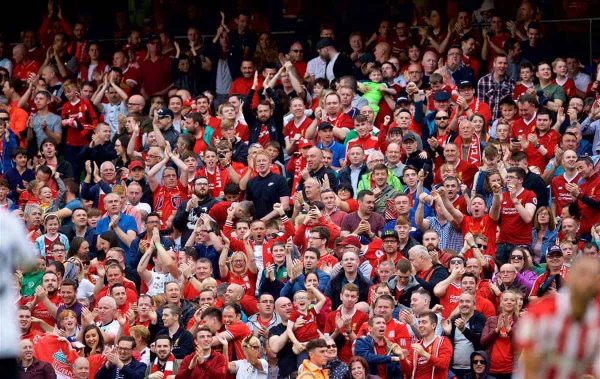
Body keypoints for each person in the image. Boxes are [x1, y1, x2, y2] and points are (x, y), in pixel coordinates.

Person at [516, 256, 600, 378]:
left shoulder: (596, 321)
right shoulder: (543, 311)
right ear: (569, 278)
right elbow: (528, 363)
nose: (588, 281)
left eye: (594, 277)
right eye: (582, 274)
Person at [399, 311, 453, 379]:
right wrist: (402, 359)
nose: (420, 325)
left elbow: (444, 364)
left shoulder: (444, 341)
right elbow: (408, 372)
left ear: (433, 325)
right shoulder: (416, 345)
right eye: (419, 322)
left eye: (424, 322)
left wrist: (425, 354)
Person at [481, 290, 520, 379]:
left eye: (512, 300)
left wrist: (509, 330)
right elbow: (483, 342)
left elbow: (521, 345)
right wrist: (497, 329)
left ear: (516, 304)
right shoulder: (491, 320)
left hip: (512, 370)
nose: (509, 302)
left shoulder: (520, 322)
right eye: (506, 300)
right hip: (491, 369)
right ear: (501, 303)